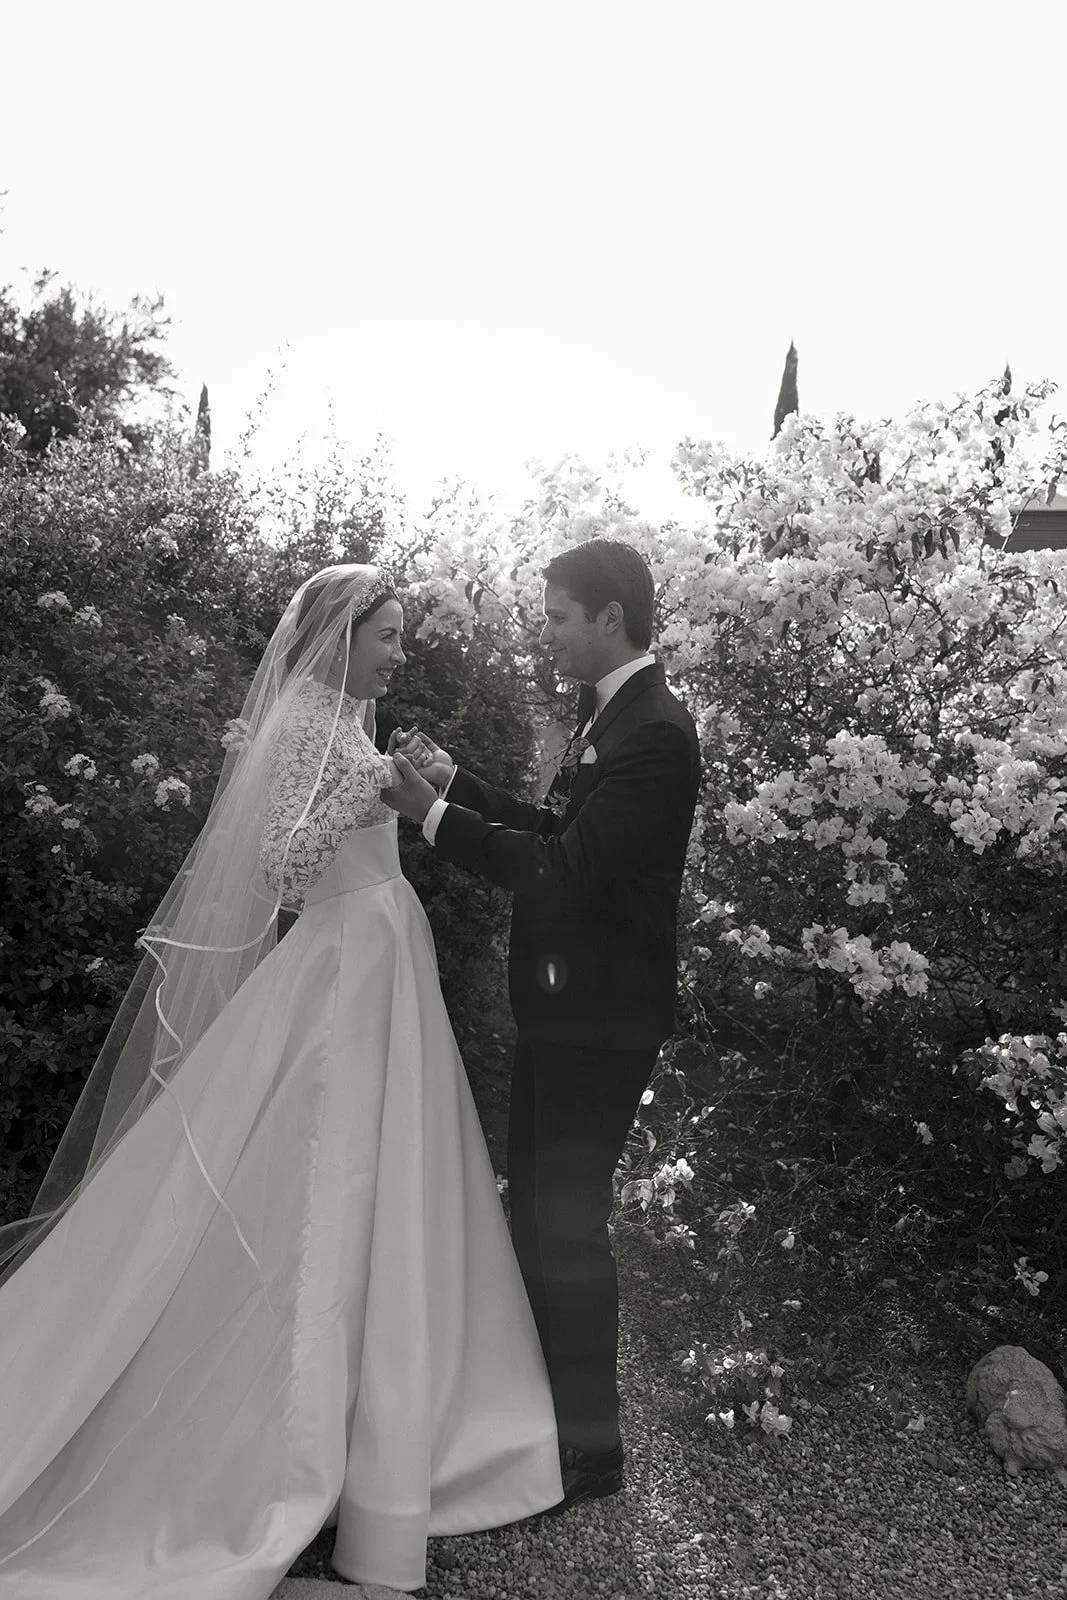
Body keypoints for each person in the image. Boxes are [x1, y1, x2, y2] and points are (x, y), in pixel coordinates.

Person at [0, 564, 562, 1599]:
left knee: (381, 1187)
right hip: (343, 972)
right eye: (384, 636)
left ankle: (385, 1420)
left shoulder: (343, 716)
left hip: (383, 964)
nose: (397, 654)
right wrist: (365, 787)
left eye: (398, 635)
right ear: (338, 637)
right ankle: (306, 1444)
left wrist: (412, 784)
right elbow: (279, 872)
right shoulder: (307, 722)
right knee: (324, 1182)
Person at [385, 537, 701, 1512]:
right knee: (535, 1210)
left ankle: (589, 1454)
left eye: (559, 614)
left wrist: (430, 822)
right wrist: (456, 786)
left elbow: (562, 874)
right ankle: (542, 1417)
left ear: (609, 616)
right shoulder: (605, 712)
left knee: (568, 1229)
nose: (548, 632)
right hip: (561, 1009)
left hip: (602, 1020)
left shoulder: (655, 732)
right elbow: (558, 828)